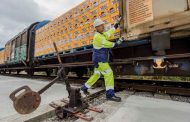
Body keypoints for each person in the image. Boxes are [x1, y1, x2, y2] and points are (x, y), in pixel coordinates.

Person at [81, 18, 124, 102]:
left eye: (103, 25)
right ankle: (110, 95)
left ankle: (84, 87)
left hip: (97, 60)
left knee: (96, 75)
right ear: (96, 27)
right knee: (109, 73)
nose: (103, 27)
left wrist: (116, 24)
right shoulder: (98, 37)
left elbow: (109, 33)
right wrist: (118, 42)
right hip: (100, 60)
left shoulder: (102, 34)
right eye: (101, 26)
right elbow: (109, 44)